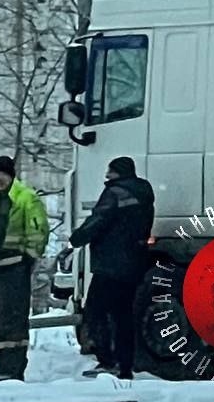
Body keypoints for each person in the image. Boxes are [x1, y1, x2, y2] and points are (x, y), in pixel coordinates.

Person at [65, 156, 155, 380]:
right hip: (133, 263)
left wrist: (76, 239)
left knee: (96, 312)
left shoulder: (116, 193)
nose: (106, 175)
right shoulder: (144, 192)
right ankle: (125, 365)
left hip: (111, 264)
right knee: (123, 315)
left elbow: (99, 219)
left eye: (110, 171)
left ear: (117, 172)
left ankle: (107, 359)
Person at [0, 155, 49, 381]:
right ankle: (4, 364)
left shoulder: (26, 198)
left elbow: (38, 230)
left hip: (16, 267)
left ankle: (13, 368)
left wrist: (29, 257)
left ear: (11, 175)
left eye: (3, 174)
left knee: (14, 320)